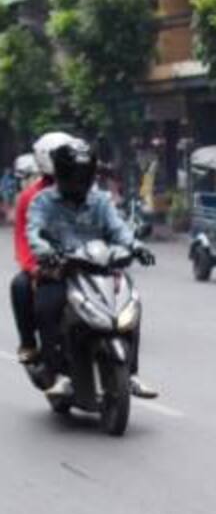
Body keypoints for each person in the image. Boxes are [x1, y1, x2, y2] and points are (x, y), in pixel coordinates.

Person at [26, 139, 157, 399]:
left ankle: (131, 374)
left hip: (99, 269)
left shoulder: (101, 201)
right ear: (61, 174)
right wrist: (46, 252)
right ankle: (58, 373)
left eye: (84, 175)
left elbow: (119, 230)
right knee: (47, 307)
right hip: (62, 270)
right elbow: (34, 232)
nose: (79, 181)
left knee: (131, 304)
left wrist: (137, 247)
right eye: (73, 175)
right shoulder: (43, 201)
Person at [10, 132, 75, 364]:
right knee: (20, 285)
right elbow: (22, 239)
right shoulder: (29, 197)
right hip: (50, 266)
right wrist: (33, 267)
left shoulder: (88, 190)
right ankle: (29, 343)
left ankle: (131, 372)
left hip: (85, 263)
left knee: (130, 297)